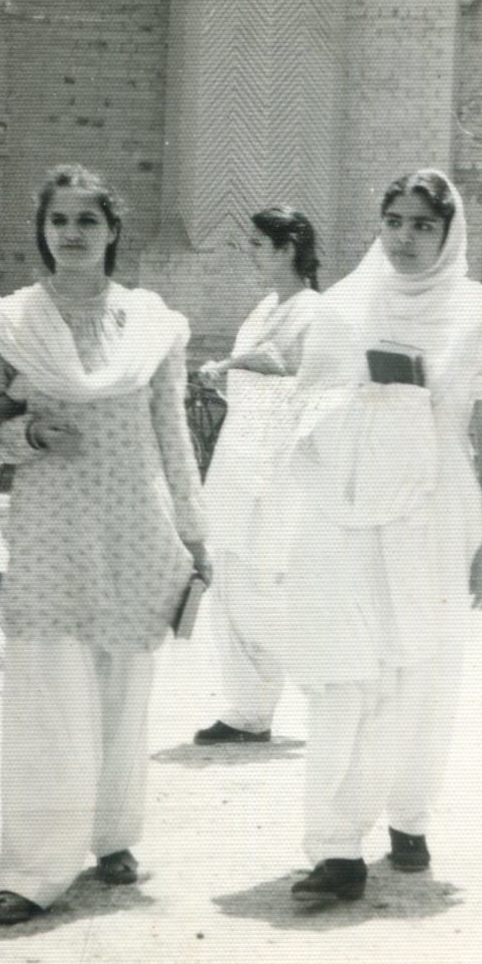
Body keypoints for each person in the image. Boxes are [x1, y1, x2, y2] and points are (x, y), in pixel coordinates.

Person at [275, 169, 482, 902]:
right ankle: (334, 847)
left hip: (435, 510)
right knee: (349, 671)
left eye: (422, 224)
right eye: (393, 220)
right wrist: (364, 404)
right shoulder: (341, 307)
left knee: (422, 672)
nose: (404, 236)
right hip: (352, 506)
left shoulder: (480, 313)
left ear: (448, 231)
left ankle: (407, 815)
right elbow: (304, 407)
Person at [0, 165, 211, 924]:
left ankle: (111, 838)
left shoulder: (151, 324)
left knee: (122, 694)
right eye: (59, 220)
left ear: (112, 232)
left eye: (87, 221)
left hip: (136, 527)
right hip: (51, 527)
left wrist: (198, 537)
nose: (71, 233)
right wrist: (29, 433)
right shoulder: (13, 323)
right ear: (42, 230)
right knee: (46, 696)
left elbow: (173, 436)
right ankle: (33, 869)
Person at [192, 206, 321, 746]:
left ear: (287, 248)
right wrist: (223, 376)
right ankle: (249, 712)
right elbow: (250, 379)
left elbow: (309, 384)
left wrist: (239, 369)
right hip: (240, 457)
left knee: (265, 584)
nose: (250, 252)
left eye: (258, 244)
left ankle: (333, 681)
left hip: (281, 468)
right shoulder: (263, 309)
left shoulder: (315, 311)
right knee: (231, 583)